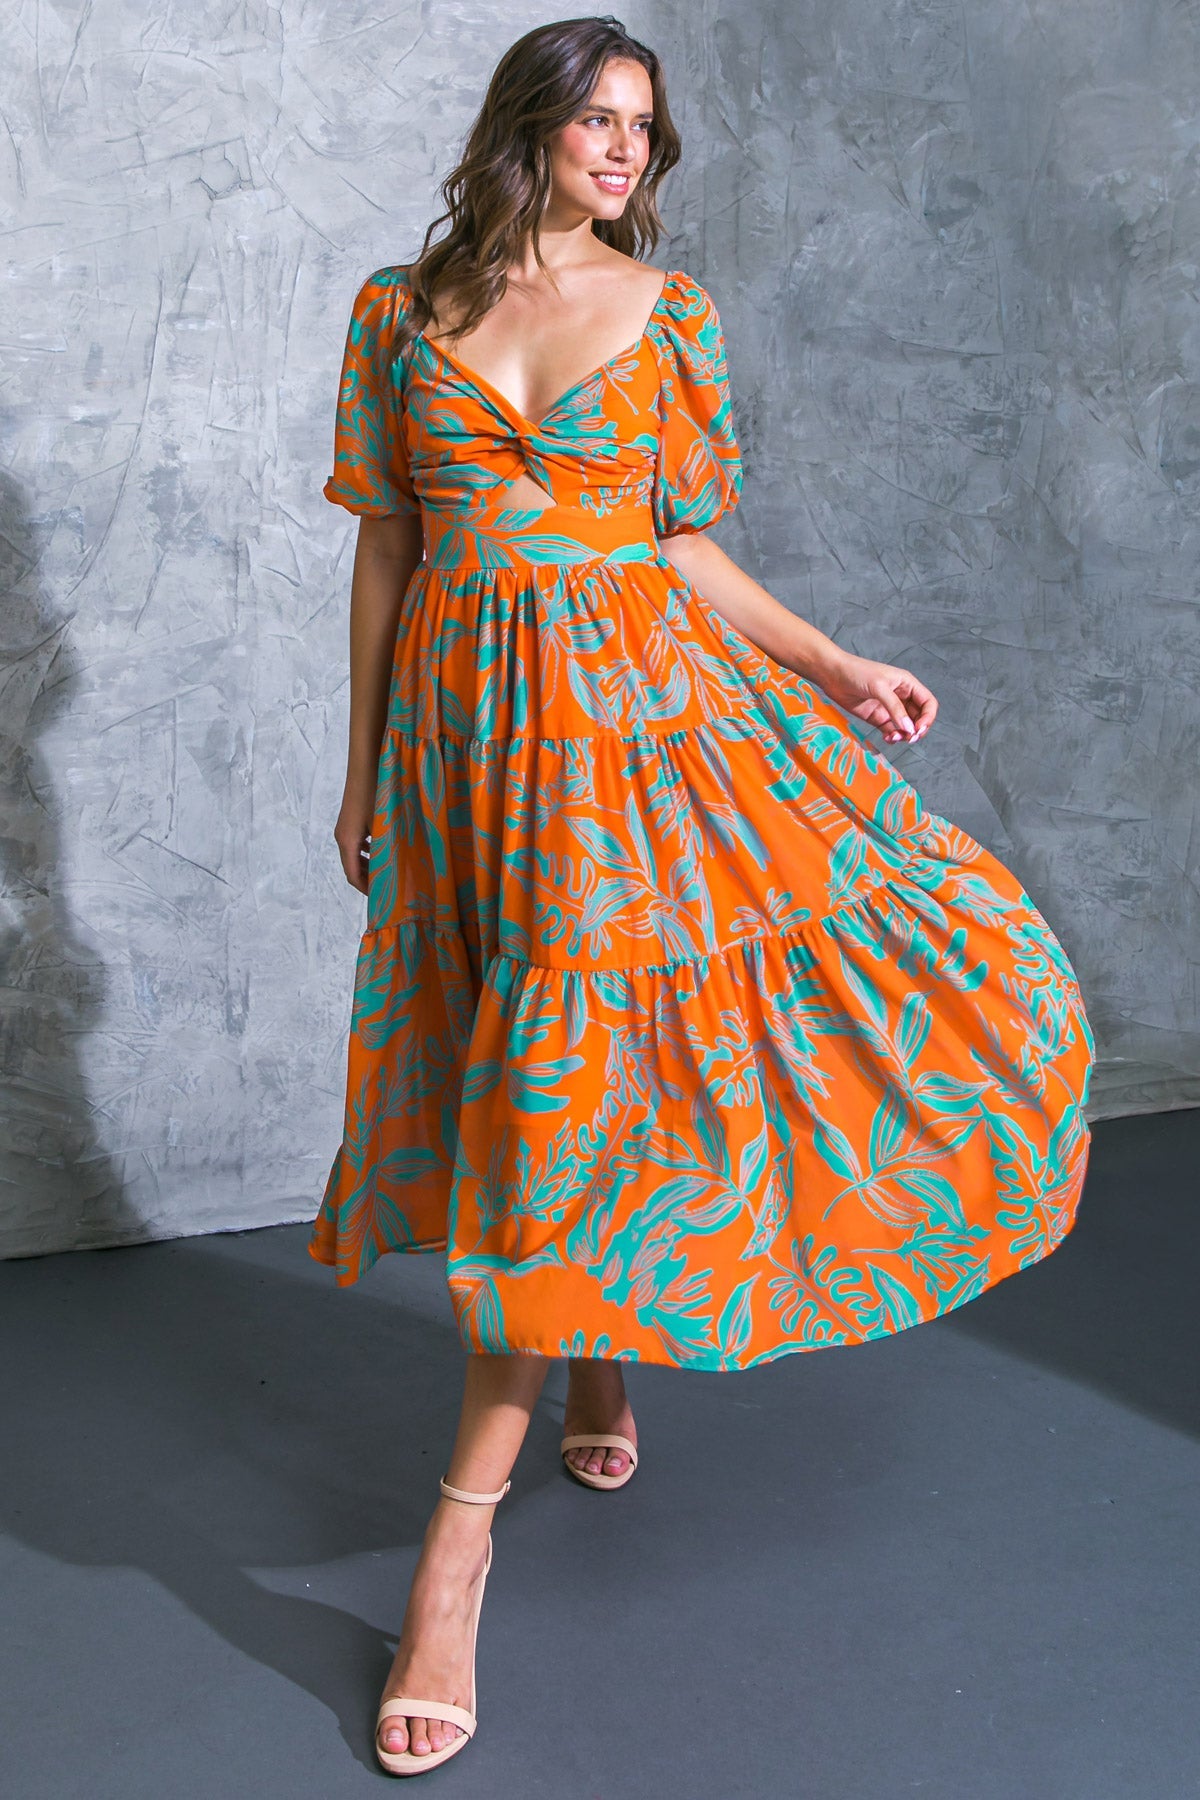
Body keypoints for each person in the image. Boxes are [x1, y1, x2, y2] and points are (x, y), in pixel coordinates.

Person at [308, 14, 1095, 1776]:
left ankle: (455, 1553)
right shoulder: (396, 310)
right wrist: (362, 765)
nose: (623, 152)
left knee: (566, 1092)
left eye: (644, 132)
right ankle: (598, 1360)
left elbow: (675, 544)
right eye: (597, 119)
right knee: (529, 1067)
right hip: (467, 759)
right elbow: (387, 547)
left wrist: (829, 663)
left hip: (640, 752)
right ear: (531, 124)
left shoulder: (668, 321)